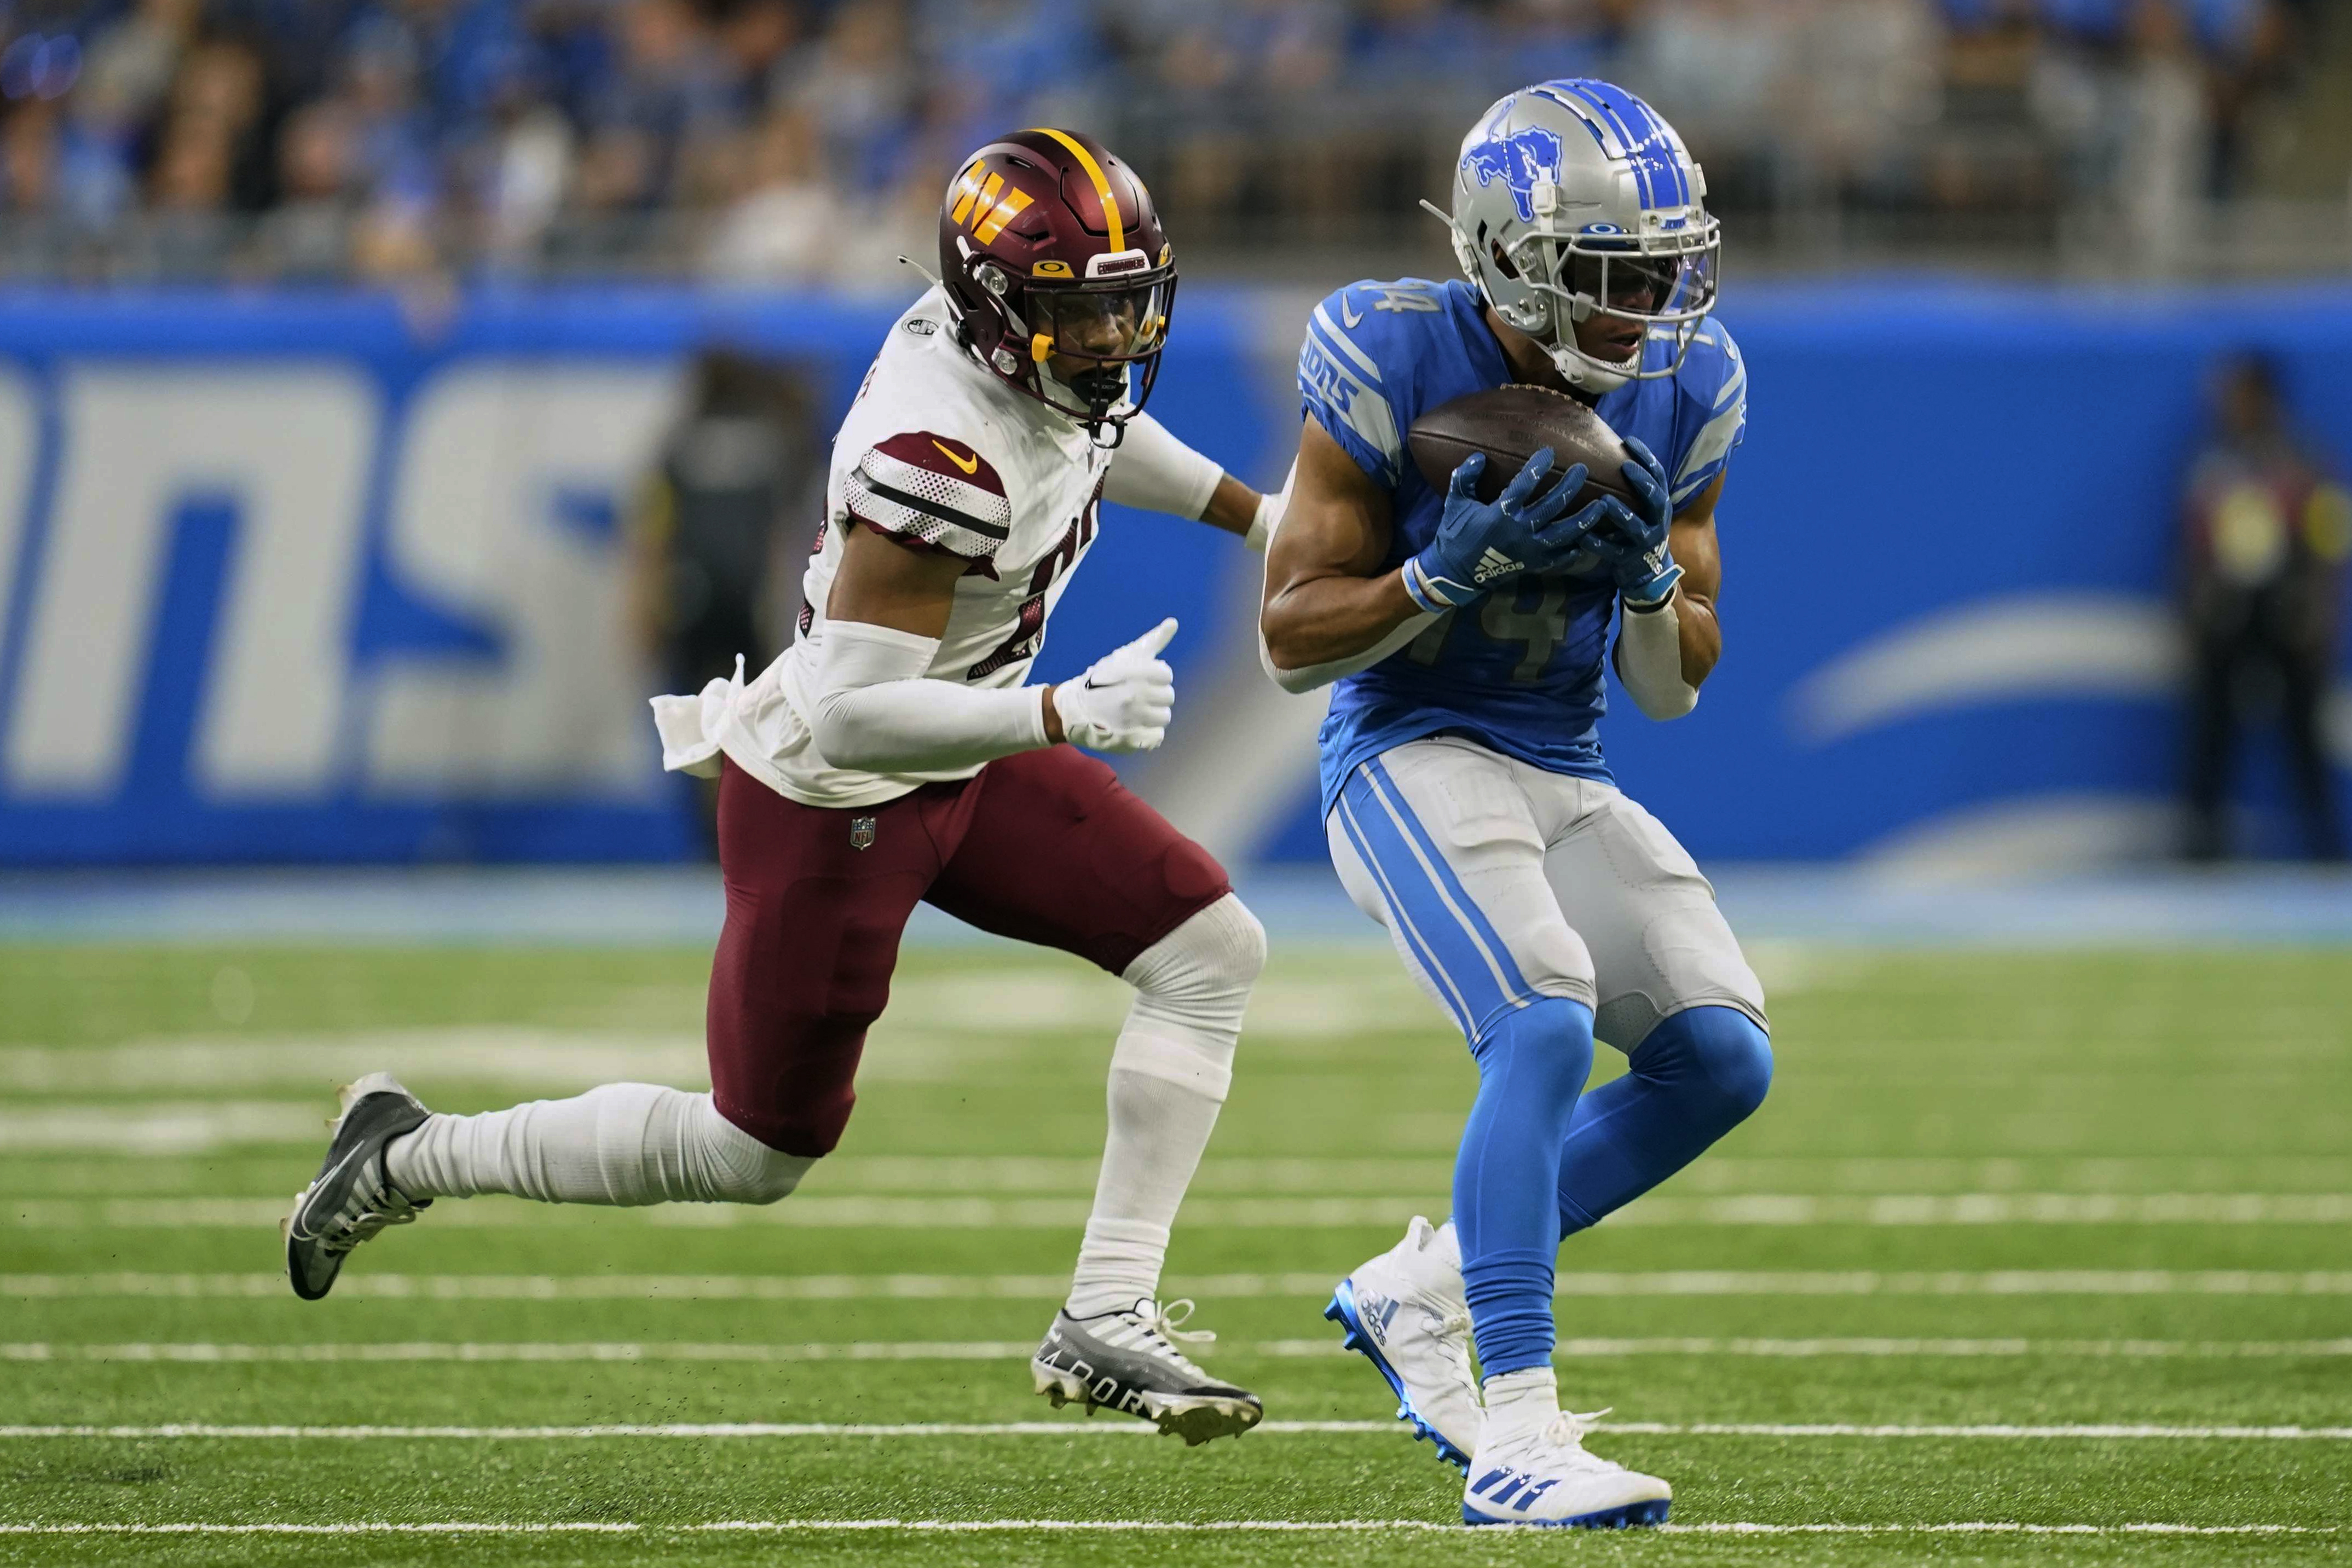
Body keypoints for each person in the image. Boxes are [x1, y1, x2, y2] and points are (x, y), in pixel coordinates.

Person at [284, 127, 1282, 1445]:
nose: (1108, 339)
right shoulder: (938, 450)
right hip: (838, 789)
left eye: (1121, 306)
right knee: (756, 1151)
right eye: (1076, 313)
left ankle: (1106, 1311)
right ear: (1000, 315)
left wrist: (1264, 520)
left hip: (968, 742)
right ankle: (406, 1151)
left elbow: (1095, 438)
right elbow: (853, 712)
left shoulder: (1017, 364)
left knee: (1206, 945)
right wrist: (1050, 710)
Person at [1259, 80, 1772, 1528]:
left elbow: (1675, 691)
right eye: (1614, 277)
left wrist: (1652, 584)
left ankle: (1423, 1292)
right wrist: (1435, 579)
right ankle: (1520, 1438)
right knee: (1541, 1016)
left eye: (1665, 271)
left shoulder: (1695, 382)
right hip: (1405, 748)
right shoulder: (1388, 350)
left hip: (1562, 754)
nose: (1646, 308)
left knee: (1722, 1060)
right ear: (1505, 254)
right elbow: (1289, 640)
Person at [2180, 351, 2350, 861]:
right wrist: (2196, 609)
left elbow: (2330, 536)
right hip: (2228, 615)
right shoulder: (2213, 463)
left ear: (2264, 398)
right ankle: (2202, 846)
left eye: (2241, 395)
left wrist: (2320, 607)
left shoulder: (2302, 458)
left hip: (2286, 611)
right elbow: (2192, 543)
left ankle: (2323, 843)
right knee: (2212, 732)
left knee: (2302, 734)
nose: (2232, 406)